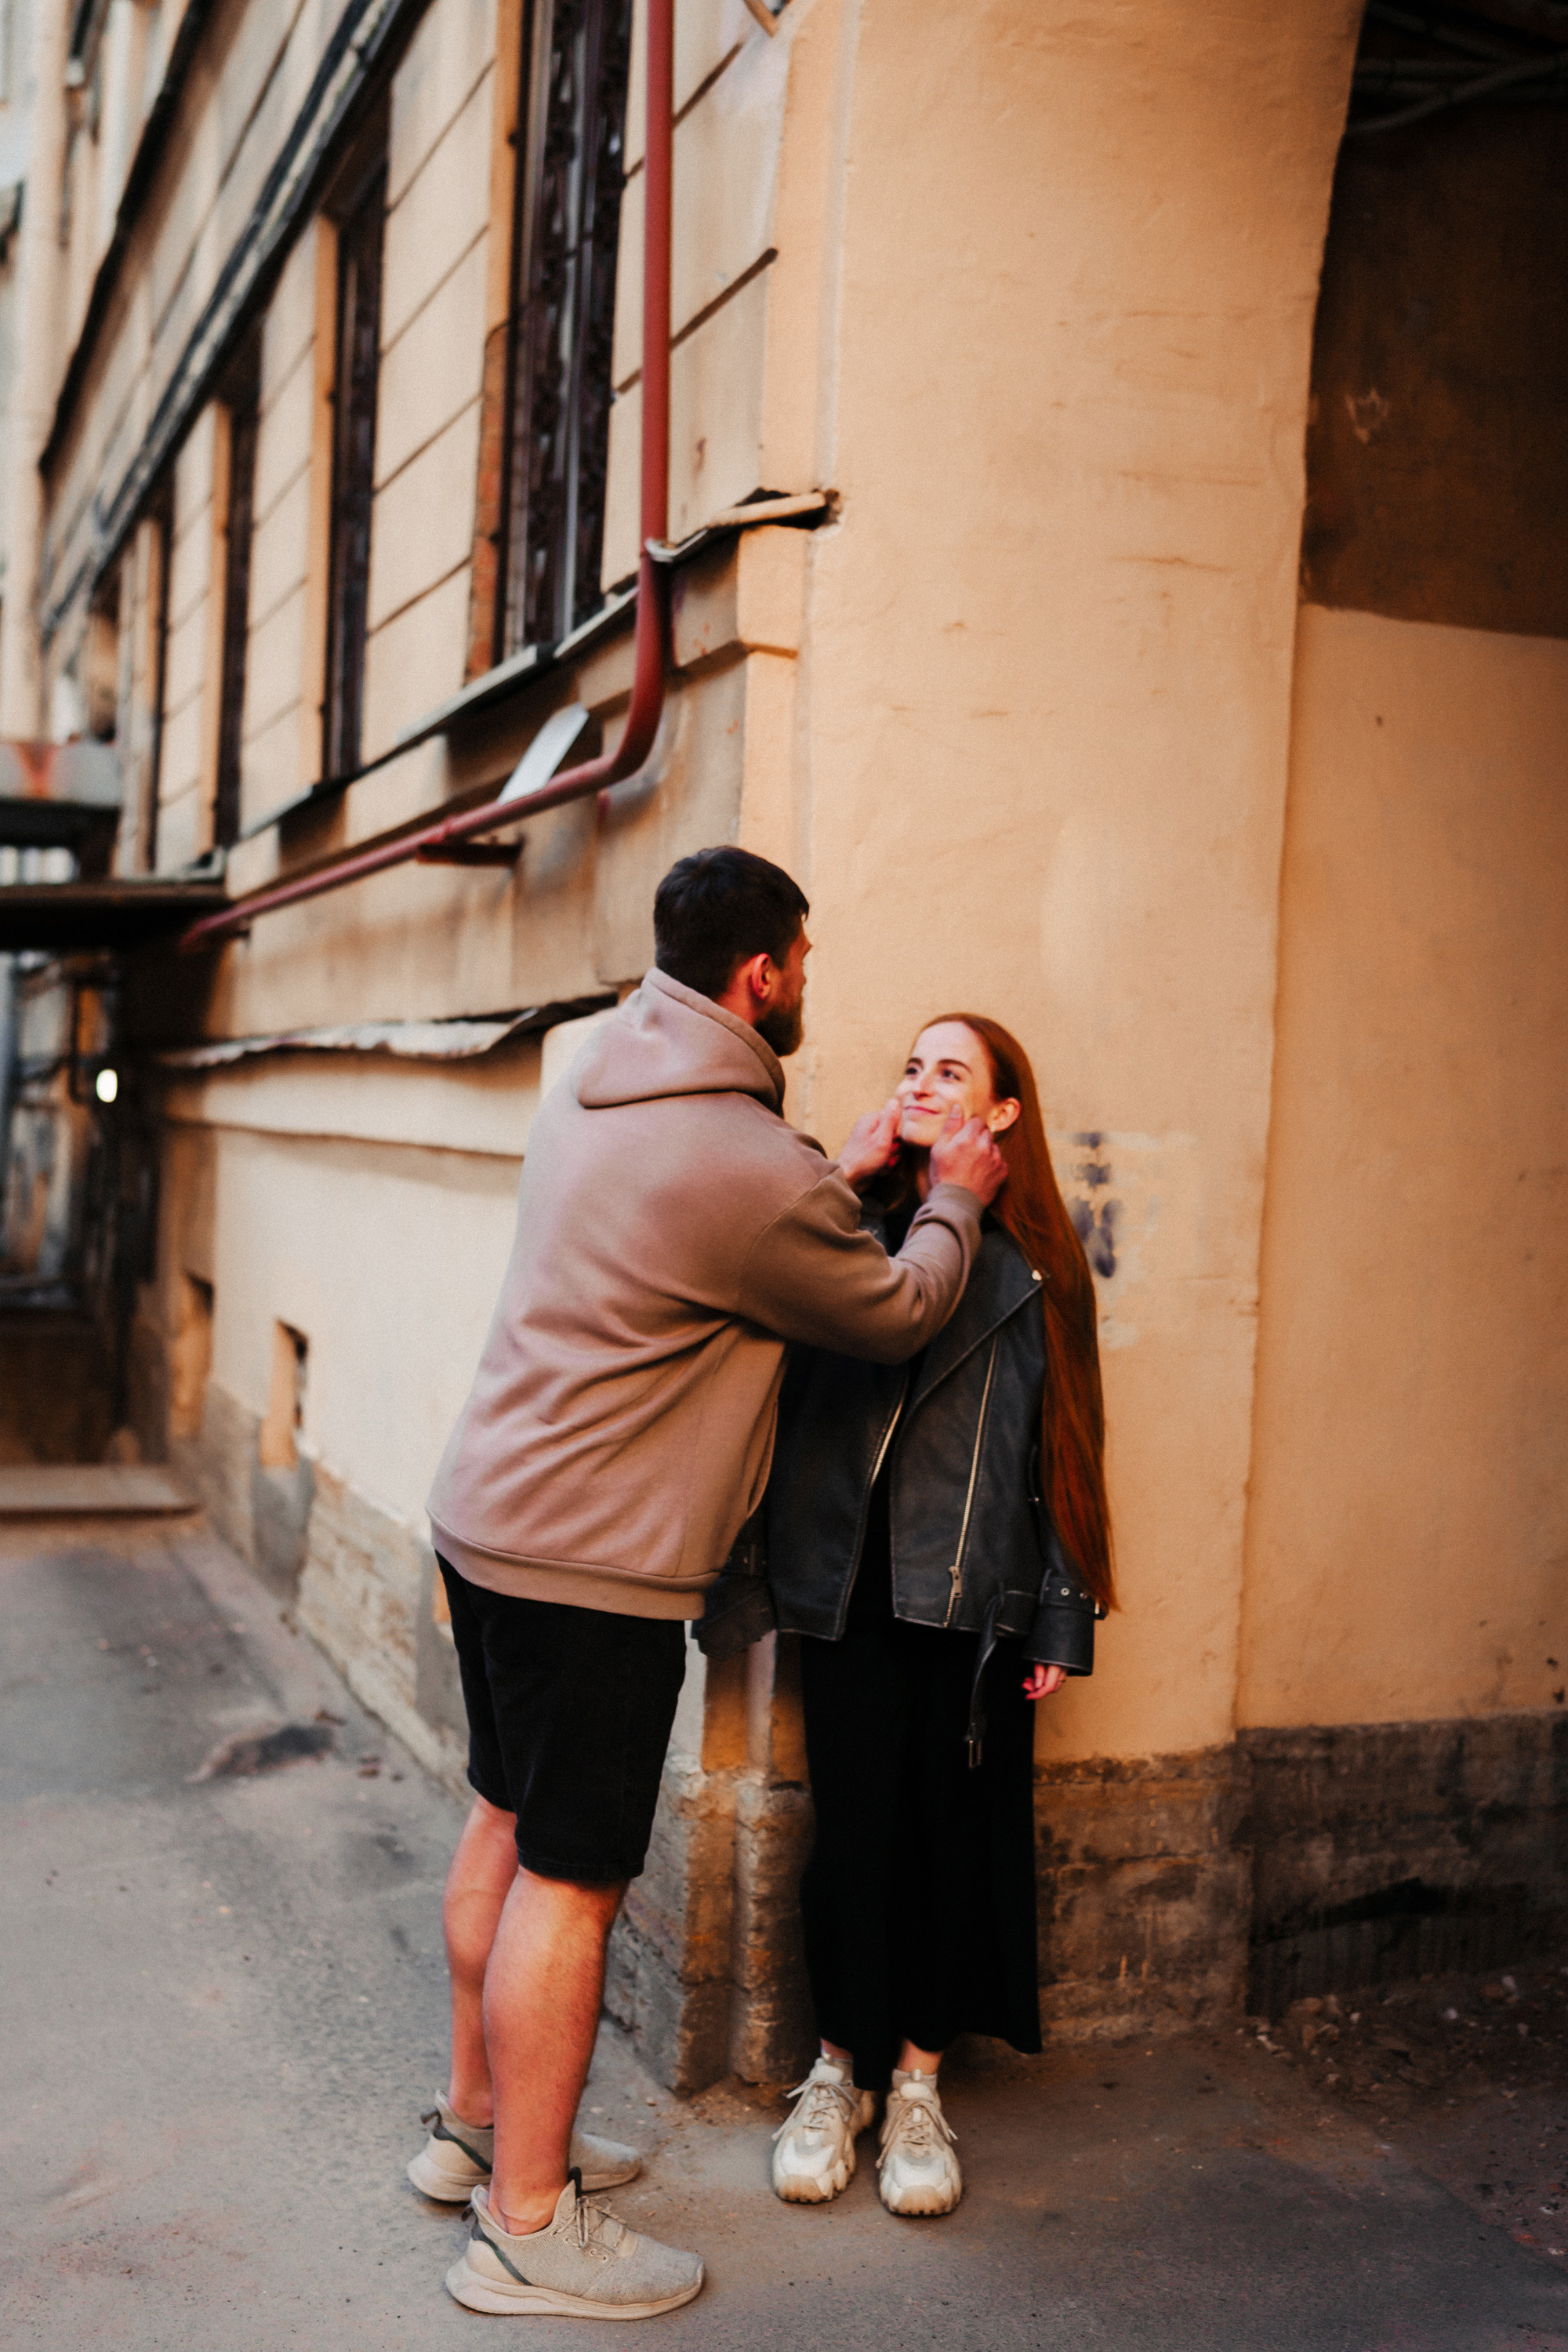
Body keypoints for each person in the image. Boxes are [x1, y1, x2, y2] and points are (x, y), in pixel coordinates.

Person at [413, 851, 1008, 2320]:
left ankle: (478, 2130)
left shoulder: (597, 1072)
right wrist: (952, 1196)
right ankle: (527, 2228)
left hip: (487, 1523)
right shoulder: (749, 1167)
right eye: (803, 961)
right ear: (763, 976)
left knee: (503, 1814)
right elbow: (896, 1309)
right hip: (592, 1571)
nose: (810, 982)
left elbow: (716, 1215)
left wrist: (833, 1170)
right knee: (575, 1876)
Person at [762, 1014, 1114, 2220]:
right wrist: (841, 1178)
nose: (920, 1082)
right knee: (850, 1842)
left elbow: (1066, 1452)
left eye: (950, 1071)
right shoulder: (845, 1227)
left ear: (1003, 1113)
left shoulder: (1037, 1270)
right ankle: (836, 2075)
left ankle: (918, 2084)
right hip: (849, 1586)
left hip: (973, 1602)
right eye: (911, 1065)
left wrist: (1061, 1621)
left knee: (947, 1846)